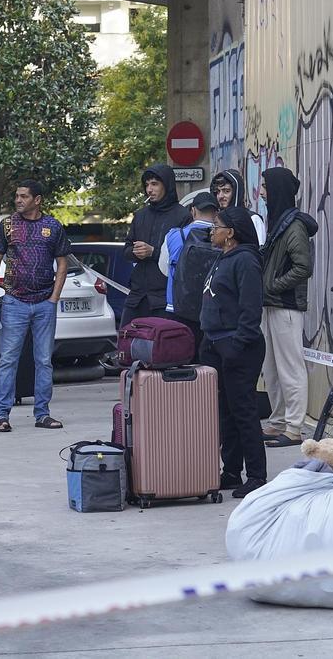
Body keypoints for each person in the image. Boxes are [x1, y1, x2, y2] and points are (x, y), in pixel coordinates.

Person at [0, 179, 71, 432]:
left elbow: (63, 264)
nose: (18, 200)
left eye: (24, 196)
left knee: (44, 360)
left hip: (45, 303)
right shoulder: (7, 225)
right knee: (8, 359)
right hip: (14, 301)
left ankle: (42, 414)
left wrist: (54, 298)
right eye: (17, 196)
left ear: (37, 200)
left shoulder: (53, 226)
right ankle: (2, 415)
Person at [200, 206, 267, 499]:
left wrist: (237, 346)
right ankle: (231, 470)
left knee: (244, 411)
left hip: (238, 347)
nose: (211, 231)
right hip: (215, 344)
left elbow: (251, 310)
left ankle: (256, 475)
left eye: (216, 226)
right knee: (225, 411)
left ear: (231, 233)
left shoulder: (246, 261)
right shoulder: (222, 257)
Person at [259, 167, 319, 448]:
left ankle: (294, 427)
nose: (261, 192)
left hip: (286, 306)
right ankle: (279, 421)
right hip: (272, 304)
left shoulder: (293, 226)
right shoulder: (278, 222)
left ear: (277, 190)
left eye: (265, 187)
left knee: (290, 368)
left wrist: (273, 286)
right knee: (272, 368)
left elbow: (303, 267)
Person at [121, 164, 190, 327]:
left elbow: (185, 257)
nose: (149, 190)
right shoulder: (141, 215)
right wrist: (135, 252)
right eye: (147, 185)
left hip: (165, 298)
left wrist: (153, 252)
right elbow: (126, 250)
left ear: (166, 185)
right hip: (138, 297)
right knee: (126, 337)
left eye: (154, 184)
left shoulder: (182, 216)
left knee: (162, 341)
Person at [158, 192, 219, 355]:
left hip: (177, 308)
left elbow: (164, 269)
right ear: (216, 213)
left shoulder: (174, 235)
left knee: (180, 358)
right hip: (212, 310)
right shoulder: (222, 237)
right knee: (209, 361)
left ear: (193, 211)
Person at [211, 169, 266, 246]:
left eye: (226, 191)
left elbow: (259, 250)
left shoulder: (253, 219)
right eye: (217, 192)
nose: (220, 196)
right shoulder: (217, 220)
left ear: (237, 193)